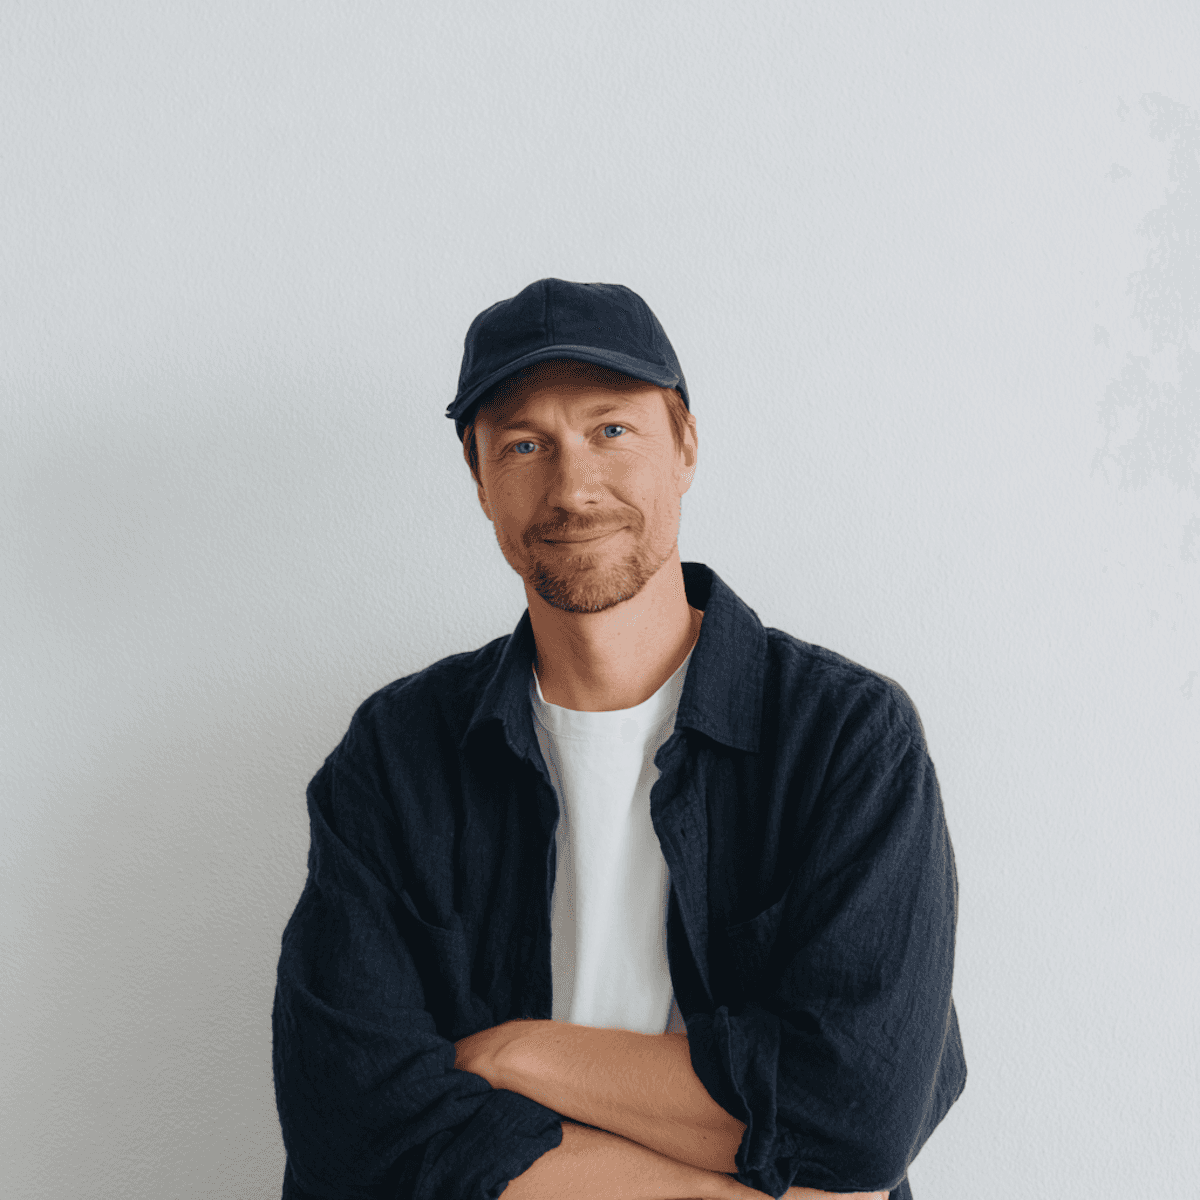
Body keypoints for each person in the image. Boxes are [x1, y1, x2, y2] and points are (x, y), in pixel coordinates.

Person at [271, 278, 967, 1200]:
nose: (574, 485)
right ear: (480, 481)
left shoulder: (846, 740)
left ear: (684, 444)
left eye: (611, 430)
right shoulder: (397, 757)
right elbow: (352, 1125)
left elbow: (856, 1113)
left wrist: (518, 1054)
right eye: (525, 445)